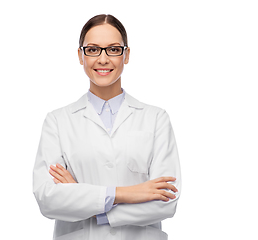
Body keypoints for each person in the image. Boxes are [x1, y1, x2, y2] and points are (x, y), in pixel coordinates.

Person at [33, 14, 181, 240]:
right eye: (93, 50)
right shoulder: (58, 121)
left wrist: (90, 206)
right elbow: (48, 199)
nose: (103, 59)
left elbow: (166, 201)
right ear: (81, 56)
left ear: (127, 55)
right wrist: (128, 193)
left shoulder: (155, 119)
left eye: (113, 49)